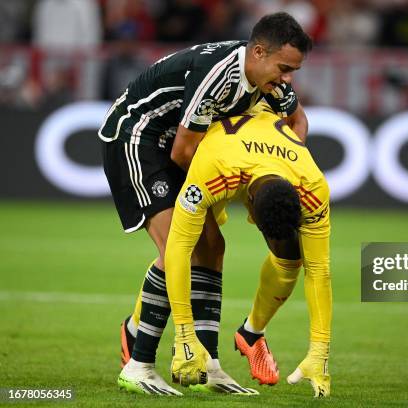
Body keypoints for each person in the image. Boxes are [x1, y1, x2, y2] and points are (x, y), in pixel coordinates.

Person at [98, 12, 312, 395]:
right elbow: (182, 152)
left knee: (212, 247)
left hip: (182, 148)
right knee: (175, 248)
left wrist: (281, 162)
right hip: (139, 139)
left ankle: (208, 365)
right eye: (283, 68)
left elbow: (299, 122)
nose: (287, 79)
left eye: (293, 71)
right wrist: (221, 189)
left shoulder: (270, 81)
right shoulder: (218, 75)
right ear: (258, 52)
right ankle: (139, 363)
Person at [165, 104, 332, 397]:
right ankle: (136, 336)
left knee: (291, 257)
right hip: (201, 148)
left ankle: (251, 333)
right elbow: (177, 249)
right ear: (249, 203)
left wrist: (320, 351)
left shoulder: (313, 187)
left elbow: (319, 270)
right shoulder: (212, 171)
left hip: (263, 157)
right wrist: (184, 335)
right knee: (202, 248)